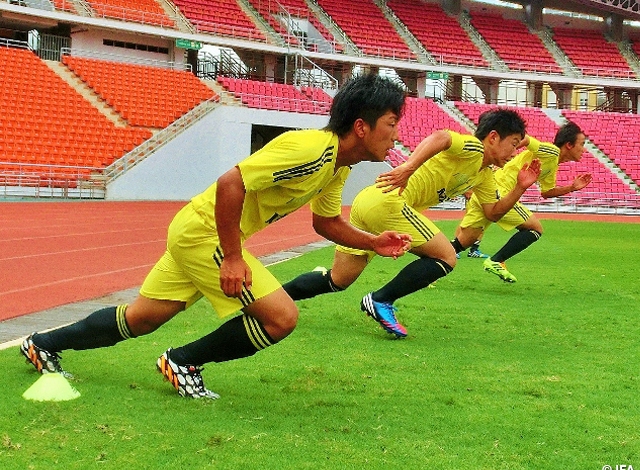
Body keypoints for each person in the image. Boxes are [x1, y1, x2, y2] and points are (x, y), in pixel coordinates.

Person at [20, 73, 413, 399]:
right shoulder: (311, 148)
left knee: (141, 319)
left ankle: (42, 343)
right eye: (392, 124)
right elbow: (231, 183)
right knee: (281, 317)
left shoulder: (336, 166)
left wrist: (372, 241)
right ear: (361, 126)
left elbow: (326, 224)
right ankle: (182, 361)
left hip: (193, 228)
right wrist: (233, 256)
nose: (396, 136)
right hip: (204, 233)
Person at [283, 108, 541, 338]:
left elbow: (493, 213)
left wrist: (519, 187)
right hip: (388, 202)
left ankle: (273, 298)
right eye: (514, 143)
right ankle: (380, 300)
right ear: (493, 137)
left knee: (337, 280)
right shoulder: (473, 148)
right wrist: (408, 167)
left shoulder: (484, 176)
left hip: (370, 201)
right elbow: (441, 137)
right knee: (447, 257)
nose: (514, 152)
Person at [451, 121, 591, 283]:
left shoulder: (553, 164)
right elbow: (528, 140)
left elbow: (546, 192)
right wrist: (508, 153)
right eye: (582, 144)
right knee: (535, 228)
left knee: (463, 242)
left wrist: (571, 187)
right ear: (568, 145)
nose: (584, 149)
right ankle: (496, 261)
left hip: (488, 189)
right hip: (502, 192)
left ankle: (431, 262)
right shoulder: (552, 152)